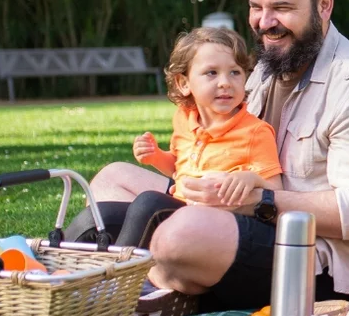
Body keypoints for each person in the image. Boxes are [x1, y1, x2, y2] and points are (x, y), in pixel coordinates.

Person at [66, 0, 349, 316]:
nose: (265, 22)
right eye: (256, 7)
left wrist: (260, 201)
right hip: (234, 212)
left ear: (324, 4)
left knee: (178, 234)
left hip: (316, 260)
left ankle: (150, 283)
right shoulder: (267, 67)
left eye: (281, 8)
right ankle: (151, 279)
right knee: (111, 180)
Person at [99, 27, 284, 250]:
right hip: (181, 209)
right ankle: (63, 271)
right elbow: (178, 168)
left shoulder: (255, 131)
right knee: (104, 214)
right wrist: (156, 157)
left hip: (218, 225)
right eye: (212, 73)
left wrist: (251, 179)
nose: (225, 82)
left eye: (235, 72)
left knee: (149, 203)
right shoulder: (184, 119)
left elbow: (276, 188)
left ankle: (117, 276)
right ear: (183, 83)